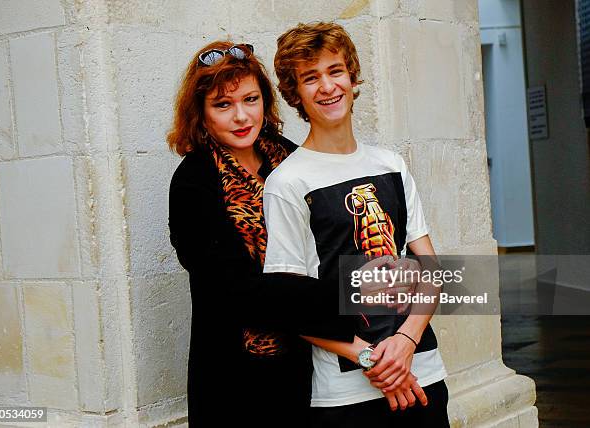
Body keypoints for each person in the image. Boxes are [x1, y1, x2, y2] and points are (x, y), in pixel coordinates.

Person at [167, 40, 407, 427]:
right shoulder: (194, 180)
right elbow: (238, 291)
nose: (241, 116)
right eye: (223, 105)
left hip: (312, 366)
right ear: (202, 114)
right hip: (241, 377)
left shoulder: (289, 157)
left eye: (251, 99)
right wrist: (356, 292)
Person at [264, 22, 450, 427]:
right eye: (310, 78)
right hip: (347, 393)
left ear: (351, 76)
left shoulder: (392, 165)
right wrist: (371, 359)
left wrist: (405, 341)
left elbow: (432, 271)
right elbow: (286, 303)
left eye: (335, 71)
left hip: (424, 373)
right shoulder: (287, 182)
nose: (327, 86)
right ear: (295, 93)